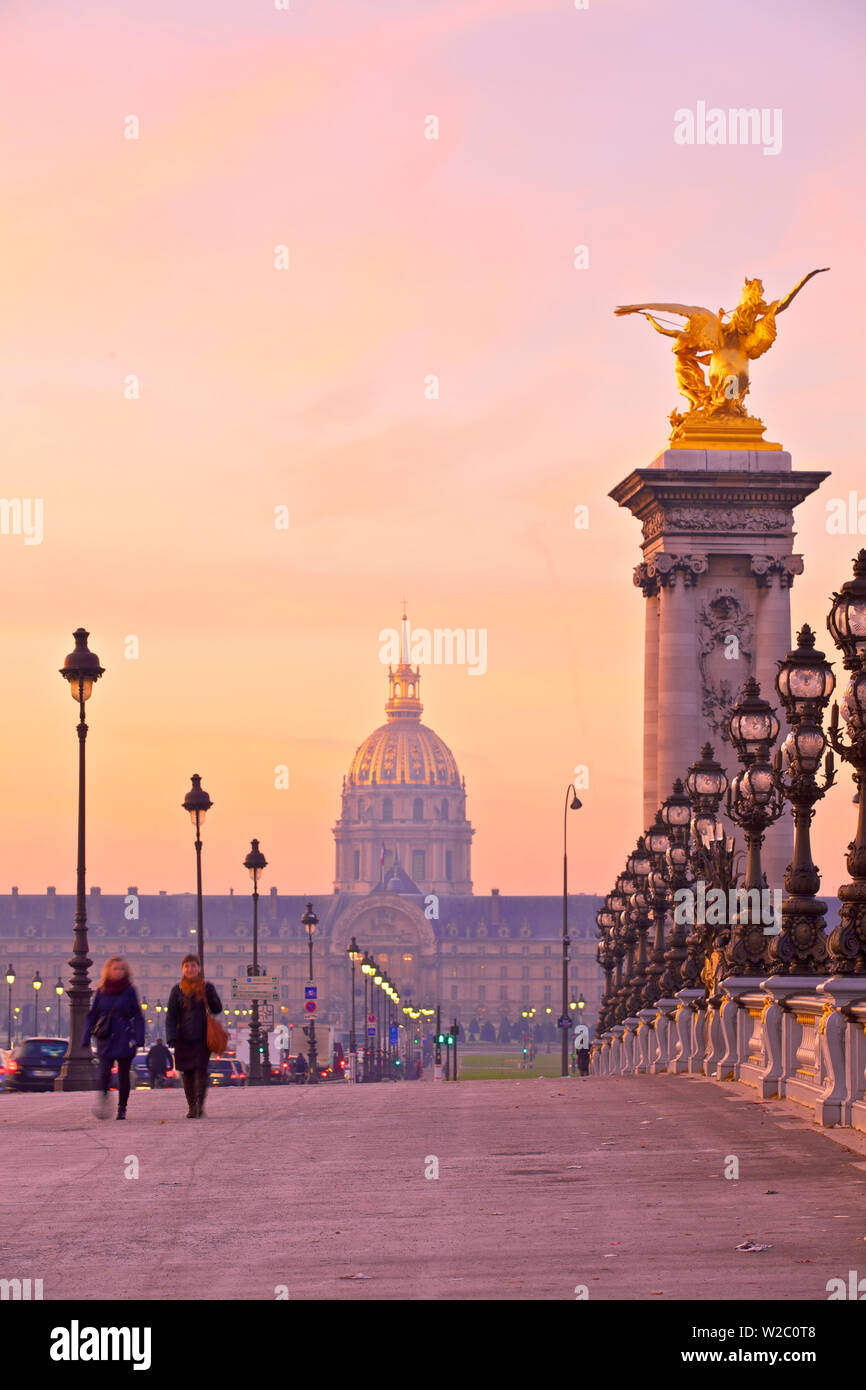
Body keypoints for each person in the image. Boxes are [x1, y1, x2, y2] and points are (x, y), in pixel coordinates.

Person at [82, 956, 145, 1120]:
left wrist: (139, 1037)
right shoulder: (101, 990)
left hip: (124, 1036)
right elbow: (92, 1015)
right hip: (106, 1036)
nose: (118, 971)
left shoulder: (129, 990)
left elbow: (138, 1015)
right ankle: (104, 1098)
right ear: (108, 970)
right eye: (115, 968)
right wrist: (85, 1036)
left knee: (123, 1075)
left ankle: (122, 1108)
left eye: (121, 969)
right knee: (104, 1073)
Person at [166, 955, 222, 1118]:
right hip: (183, 1037)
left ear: (199, 968)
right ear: (183, 969)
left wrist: (210, 995)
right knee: (187, 1073)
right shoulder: (177, 990)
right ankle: (191, 1106)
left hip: (203, 1037)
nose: (190, 969)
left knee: (200, 1071)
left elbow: (217, 1009)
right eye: (187, 966)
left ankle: (199, 1106)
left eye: (193, 966)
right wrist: (171, 1035)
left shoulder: (207, 987)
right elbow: (171, 1015)